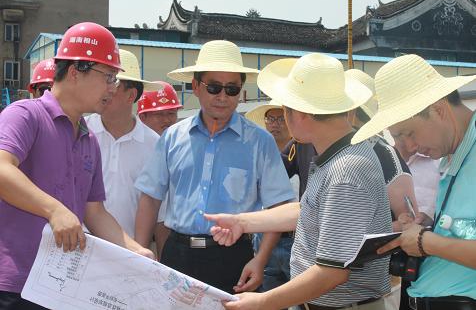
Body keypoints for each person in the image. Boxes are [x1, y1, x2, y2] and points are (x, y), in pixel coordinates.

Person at [206, 53, 393, 310]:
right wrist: (241, 222)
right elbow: (308, 211)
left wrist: (262, 302)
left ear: (300, 113)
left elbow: (332, 272)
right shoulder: (339, 157)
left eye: (285, 109)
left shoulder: (345, 170)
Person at [0, 22, 153, 310]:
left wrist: (135, 251)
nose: (113, 87)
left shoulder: (88, 138)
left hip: (59, 285)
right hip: (13, 284)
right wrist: (55, 209)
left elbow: (94, 212)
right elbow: (2, 169)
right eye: (108, 76)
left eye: (115, 79)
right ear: (75, 71)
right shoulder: (24, 115)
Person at [134, 40, 295, 294]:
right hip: (178, 254)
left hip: (234, 258)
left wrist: (260, 259)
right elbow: (150, 198)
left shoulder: (259, 142)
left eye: (231, 89)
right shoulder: (172, 138)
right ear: (196, 87)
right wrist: (140, 251)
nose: (222, 97)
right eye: (214, 87)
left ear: (241, 91)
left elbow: (279, 207)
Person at [352, 54, 476, 310]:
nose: (408, 146)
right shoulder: (455, 153)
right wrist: (433, 228)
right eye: (397, 137)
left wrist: (425, 242)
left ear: (438, 109)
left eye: (409, 133)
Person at [85, 49, 160, 237]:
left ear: (131, 95)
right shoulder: (79, 132)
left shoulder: (155, 145)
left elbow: (159, 209)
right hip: (79, 250)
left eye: (113, 83)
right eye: (104, 81)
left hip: (129, 254)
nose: (105, 89)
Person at [345, 69, 420, 232]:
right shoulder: (313, 146)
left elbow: (409, 223)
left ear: (351, 112)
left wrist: (354, 234)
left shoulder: (385, 155)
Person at [245, 101, 295, 293]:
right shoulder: (257, 156)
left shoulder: (301, 151)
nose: (275, 124)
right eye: (270, 119)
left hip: (293, 239)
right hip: (263, 238)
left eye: (280, 118)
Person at [136, 82, 183, 257]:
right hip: (120, 240)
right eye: (159, 114)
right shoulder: (136, 146)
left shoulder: (181, 148)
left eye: (171, 113)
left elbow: (163, 219)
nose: (167, 120)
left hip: (164, 244)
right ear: (143, 117)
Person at [393, 134, 440, 219]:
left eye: (410, 133)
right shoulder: (381, 161)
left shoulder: (437, 159)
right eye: (399, 134)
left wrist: (428, 218)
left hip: (432, 229)